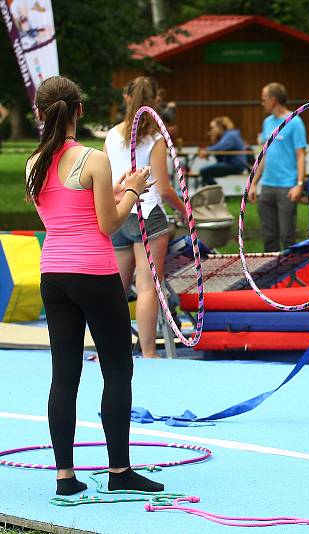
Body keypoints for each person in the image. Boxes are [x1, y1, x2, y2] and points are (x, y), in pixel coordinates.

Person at [25, 76, 163, 495]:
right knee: (117, 369)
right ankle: (119, 471)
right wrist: (134, 191)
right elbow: (108, 223)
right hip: (94, 273)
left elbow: (62, 213)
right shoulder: (92, 159)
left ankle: (65, 476)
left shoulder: (34, 163)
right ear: (80, 111)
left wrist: (116, 190)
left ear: (40, 114)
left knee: (63, 375)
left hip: (54, 273)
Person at [105, 76, 187, 359]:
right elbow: (163, 189)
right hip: (147, 213)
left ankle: (112, 349)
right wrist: (187, 212)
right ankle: (149, 352)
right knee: (148, 286)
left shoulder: (111, 135)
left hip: (119, 212)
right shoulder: (156, 140)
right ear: (155, 102)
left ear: (126, 99)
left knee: (117, 288)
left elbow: (108, 181)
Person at [248, 82, 307, 252]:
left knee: (287, 235)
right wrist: (253, 183)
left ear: (273, 100)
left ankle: (291, 275)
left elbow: (300, 155)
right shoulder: (267, 122)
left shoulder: (294, 122)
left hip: (287, 186)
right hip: (267, 186)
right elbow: (264, 155)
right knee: (268, 236)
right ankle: (272, 276)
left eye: (264, 99)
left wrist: (299, 184)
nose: (262, 103)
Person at [197, 116, 249, 186]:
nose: (211, 130)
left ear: (220, 127)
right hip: (232, 164)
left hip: (235, 165)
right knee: (205, 171)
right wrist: (213, 140)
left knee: (204, 171)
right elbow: (219, 154)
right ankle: (215, 191)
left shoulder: (230, 135)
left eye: (213, 128)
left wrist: (207, 150)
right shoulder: (226, 135)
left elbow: (220, 147)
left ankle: (218, 191)